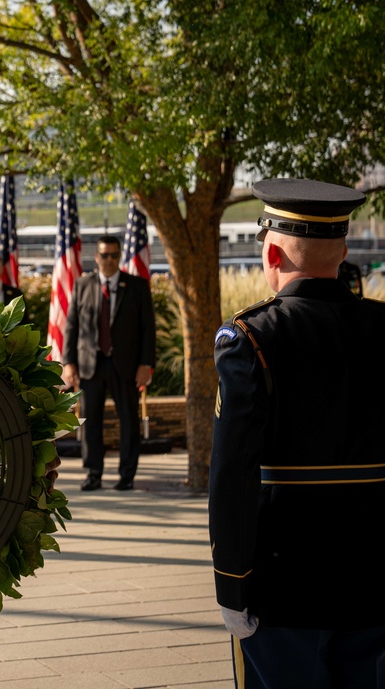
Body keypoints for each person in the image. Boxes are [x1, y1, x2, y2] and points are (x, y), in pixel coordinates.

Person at [209, 178, 385, 688]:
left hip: (283, 586)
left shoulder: (250, 337)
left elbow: (233, 473)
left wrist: (233, 585)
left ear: (273, 252)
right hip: (374, 578)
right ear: (344, 249)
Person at [61, 234, 155, 491]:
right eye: (105, 255)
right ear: (96, 257)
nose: (109, 260)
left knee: (129, 421)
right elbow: (71, 326)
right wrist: (68, 362)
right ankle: (93, 473)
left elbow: (148, 328)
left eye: (114, 255)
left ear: (119, 256)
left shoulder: (136, 286)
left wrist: (146, 364)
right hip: (91, 365)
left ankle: (127, 475)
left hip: (126, 365)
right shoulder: (83, 284)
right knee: (91, 421)